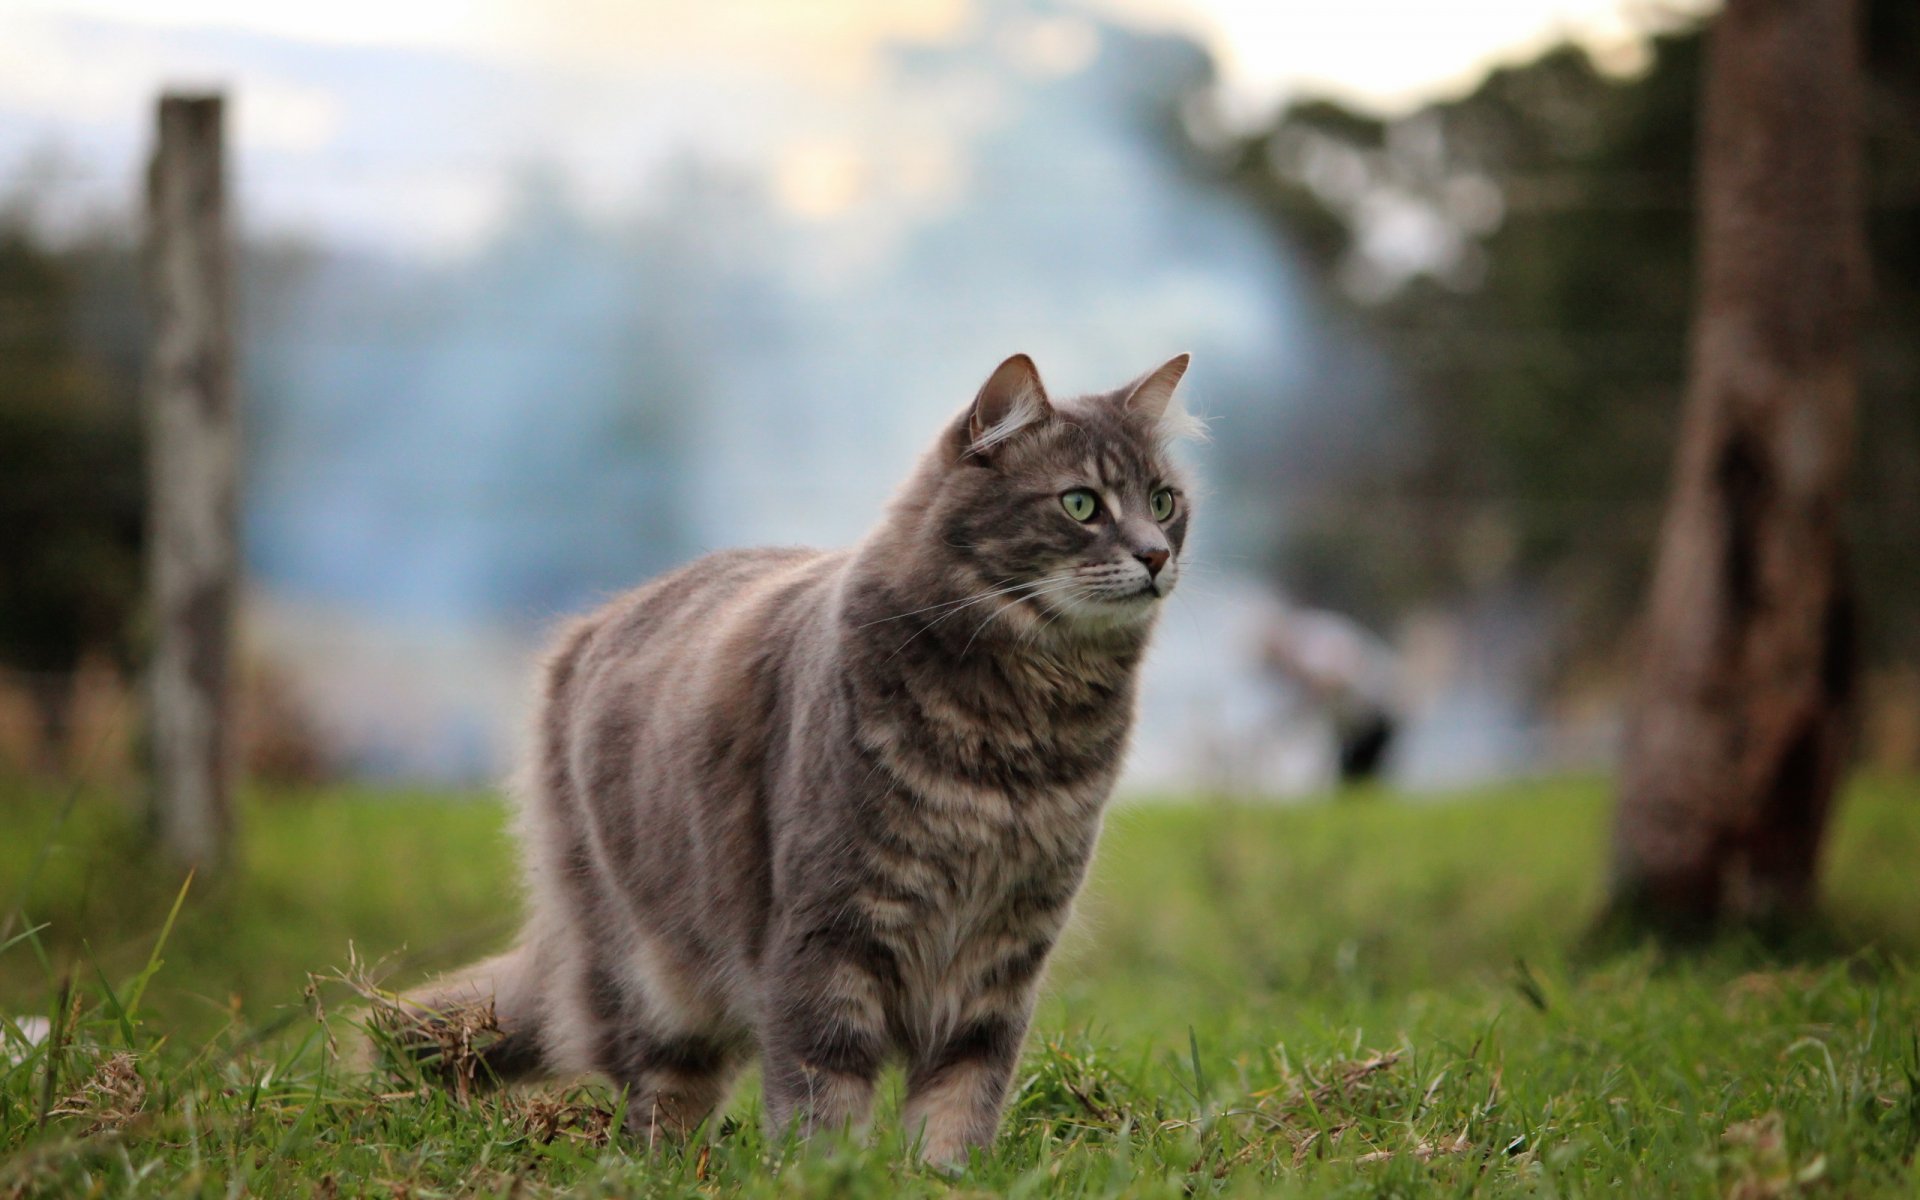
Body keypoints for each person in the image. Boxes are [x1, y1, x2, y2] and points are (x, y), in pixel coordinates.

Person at [1261, 604, 1402, 786]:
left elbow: (1339, 675)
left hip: (1375, 709)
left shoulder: (1315, 639)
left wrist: (1312, 688)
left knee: (1361, 774)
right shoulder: (1306, 639)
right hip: (1353, 719)